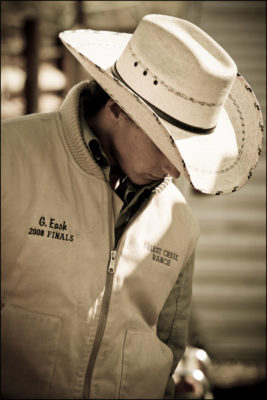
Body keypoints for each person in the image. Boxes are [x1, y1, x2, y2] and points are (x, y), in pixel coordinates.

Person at [1, 14, 263, 400]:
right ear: (117, 108)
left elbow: (167, 349)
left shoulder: (180, 225)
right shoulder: (9, 160)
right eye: (166, 142)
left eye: (187, 152)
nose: (175, 169)